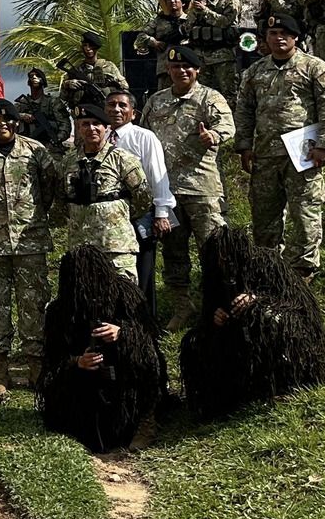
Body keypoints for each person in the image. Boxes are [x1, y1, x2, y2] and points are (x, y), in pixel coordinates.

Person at [178, 227, 325, 422]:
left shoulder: (267, 263)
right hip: (236, 338)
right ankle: (222, 399)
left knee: (264, 317)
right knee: (193, 342)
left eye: (227, 257)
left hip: (284, 328)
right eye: (218, 258)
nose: (223, 263)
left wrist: (257, 300)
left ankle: (287, 383)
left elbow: (296, 303)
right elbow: (208, 310)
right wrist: (215, 316)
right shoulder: (214, 275)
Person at [0, 98, 59, 400]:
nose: (1, 125)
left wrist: (36, 218)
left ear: (17, 123)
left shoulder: (36, 152)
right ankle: (0, 371)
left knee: (34, 304)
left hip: (30, 241)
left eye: (7, 120)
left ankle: (35, 366)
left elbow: (49, 187)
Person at [234, 14, 325, 277]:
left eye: (285, 33)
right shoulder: (255, 72)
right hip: (266, 155)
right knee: (264, 216)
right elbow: (245, 111)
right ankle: (269, 270)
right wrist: (244, 146)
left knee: (305, 212)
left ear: (295, 37)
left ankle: (303, 269)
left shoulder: (314, 67)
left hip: (303, 154)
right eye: (273, 34)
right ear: (266, 39)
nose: (278, 38)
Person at [138, 46, 235, 327]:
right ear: (167, 71)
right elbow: (144, 137)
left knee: (215, 250)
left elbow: (228, 126)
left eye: (187, 67)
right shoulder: (156, 102)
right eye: (175, 67)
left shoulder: (210, 97)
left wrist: (214, 135)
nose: (180, 71)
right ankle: (183, 307)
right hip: (167, 192)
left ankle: (218, 304)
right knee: (174, 254)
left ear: (197, 70)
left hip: (202, 188)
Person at [36, 245, 163, 453]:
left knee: (142, 354)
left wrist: (123, 334)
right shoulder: (60, 312)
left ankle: (146, 419)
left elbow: (150, 339)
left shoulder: (125, 294)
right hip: (85, 388)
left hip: (124, 379)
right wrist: (77, 362)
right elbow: (51, 363)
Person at [56, 99, 149, 282]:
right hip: (80, 245)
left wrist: (117, 216)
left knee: (122, 298)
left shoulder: (122, 159)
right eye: (85, 124)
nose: (91, 129)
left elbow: (143, 196)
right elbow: (60, 198)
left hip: (116, 245)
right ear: (79, 129)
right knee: (85, 298)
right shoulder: (68, 162)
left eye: (96, 124)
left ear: (106, 128)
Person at [104, 89, 175, 313]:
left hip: (140, 214)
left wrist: (161, 213)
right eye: (111, 105)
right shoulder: (100, 136)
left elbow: (157, 174)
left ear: (133, 113)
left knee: (143, 271)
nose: (116, 110)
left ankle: (145, 326)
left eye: (122, 106)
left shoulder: (144, 137)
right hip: (110, 218)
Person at [60, 30, 129, 110]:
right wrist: (67, 84)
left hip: (105, 109)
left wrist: (111, 80)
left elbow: (125, 87)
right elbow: (62, 96)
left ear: (96, 47)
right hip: (83, 111)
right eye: (85, 45)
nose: (88, 49)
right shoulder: (76, 69)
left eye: (91, 46)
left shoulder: (109, 66)